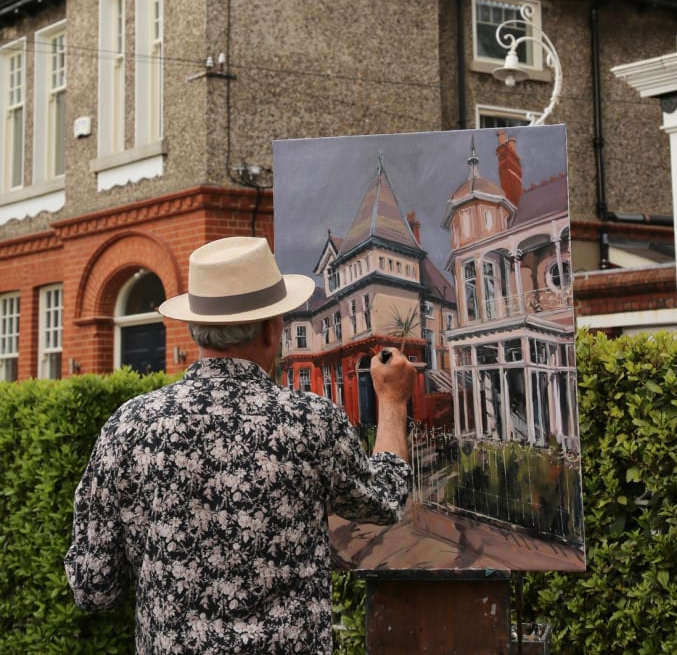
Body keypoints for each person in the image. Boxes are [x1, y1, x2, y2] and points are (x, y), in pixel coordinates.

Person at [65, 236, 416, 654]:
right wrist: (392, 403)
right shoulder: (310, 421)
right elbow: (384, 501)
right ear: (271, 329)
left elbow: (94, 588)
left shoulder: (130, 426)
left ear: (196, 328)